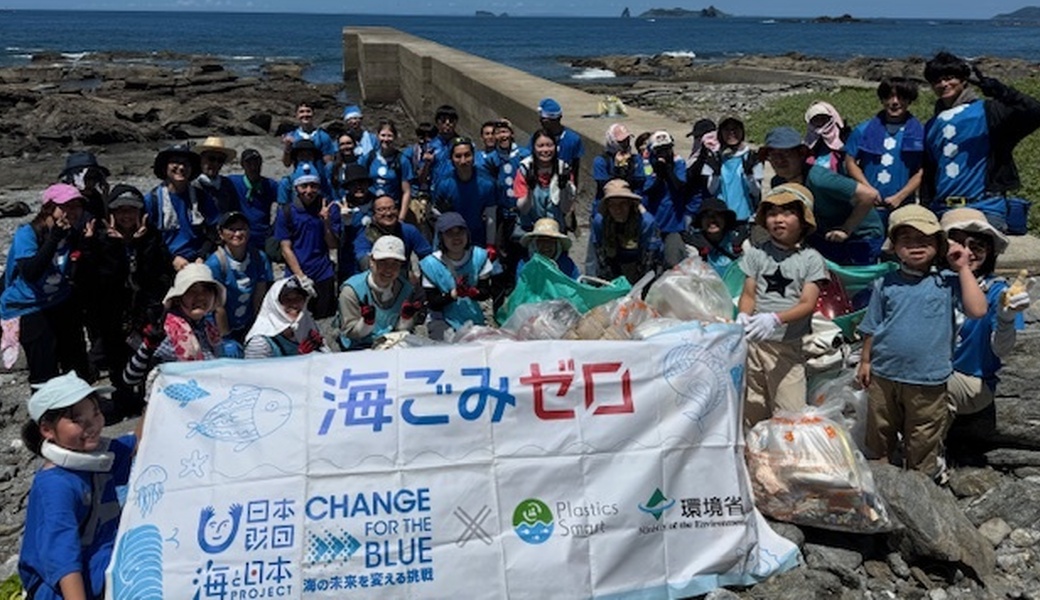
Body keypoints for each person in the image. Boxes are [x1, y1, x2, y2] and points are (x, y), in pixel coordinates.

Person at [856, 204, 987, 482]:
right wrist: (865, 361)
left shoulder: (948, 282)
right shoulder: (885, 283)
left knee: (924, 435)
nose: (915, 246)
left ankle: (920, 485)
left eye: (925, 240)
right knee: (879, 430)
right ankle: (880, 478)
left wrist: (962, 266)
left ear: (939, 245)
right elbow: (872, 325)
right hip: (883, 374)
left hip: (929, 378)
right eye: (907, 240)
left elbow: (977, 310)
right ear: (894, 247)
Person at [18, 372, 138, 600]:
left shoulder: (97, 455)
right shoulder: (55, 485)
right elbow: (63, 559)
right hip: (67, 590)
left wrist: (158, 393)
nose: (92, 425)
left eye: (95, 413)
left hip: (104, 569)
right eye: (77, 420)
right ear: (47, 430)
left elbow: (140, 443)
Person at [78, 184, 173, 420]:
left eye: (132, 210)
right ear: (111, 213)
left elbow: (158, 276)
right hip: (111, 314)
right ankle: (120, 400)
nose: (126, 215)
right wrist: (116, 245)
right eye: (121, 210)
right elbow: (102, 278)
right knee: (115, 360)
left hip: (144, 311)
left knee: (144, 358)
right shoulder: (101, 238)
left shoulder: (151, 237)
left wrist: (140, 245)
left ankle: (145, 400)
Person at [737, 183, 828, 427]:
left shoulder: (811, 259)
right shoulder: (757, 253)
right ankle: (756, 460)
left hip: (787, 347)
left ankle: (785, 461)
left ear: (803, 219)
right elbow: (749, 294)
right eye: (772, 213)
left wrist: (776, 319)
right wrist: (743, 316)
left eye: (787, 213)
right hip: (754, 345)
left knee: (790, 413)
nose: (778, 220)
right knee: (752, 409)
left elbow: (808, 303)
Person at [920, 51, 1040, 231]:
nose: (943, 84)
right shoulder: (932, 124)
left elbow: (1034, 112)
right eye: (937, 81)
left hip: (985, 206)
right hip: (942, 208)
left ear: (963, 80)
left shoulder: (990, 111)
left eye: (949, 78)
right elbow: (930, 171)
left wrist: (1002, 92)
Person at [940, 208, 1030, 422]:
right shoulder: (937, 282)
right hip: (930, 370)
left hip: (971, 380)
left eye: (977, 246)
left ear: (989, 252)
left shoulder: (998, 291)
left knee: (924, 387)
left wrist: (1005, 320)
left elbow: (1001, 349)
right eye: (958, 244)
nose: (967, 253)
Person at [0, 184, 94, 384]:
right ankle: (48, 414)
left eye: (76, 206)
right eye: (65, 206)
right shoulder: (28, 234)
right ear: (49, 208)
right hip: (29, 305)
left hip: (58, 299)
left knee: (76, 364)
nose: (72, 212)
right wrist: (53, 239)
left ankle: (79, 410)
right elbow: (31, 272)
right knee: (44, 369)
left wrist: (86, 245)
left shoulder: (72, 232)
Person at [760, 126, 884, 266]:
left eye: (785, 154)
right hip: (824, 233)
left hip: (860, 234)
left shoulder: (818, 178)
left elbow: (869, 195)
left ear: (800, 154)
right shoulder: (778, 183)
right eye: (773, 155)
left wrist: (846, 229)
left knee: (855, 284)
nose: (779, 160)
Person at [122, 262, 230, 392]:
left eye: (206, 290)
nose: (200, 297)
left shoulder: (209, 329)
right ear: (179, 298)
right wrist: (148, 346)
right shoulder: (164, 331)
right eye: (192, 291)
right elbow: (130, 378)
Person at [844, 77, 925, 231]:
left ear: (909, 100)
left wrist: (900, 196)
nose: (894, 102)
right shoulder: (864, 130)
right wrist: (868, 191)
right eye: (889, 97)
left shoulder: (920, 133)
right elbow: (850, 162)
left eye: (901, 97)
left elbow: (923, 170)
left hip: (903, 206)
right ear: (882, 99)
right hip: (867, 205)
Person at [275, 162, 341, 319]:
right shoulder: (286, 213)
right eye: (304, 186)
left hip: (323, 273)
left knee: (324, 319)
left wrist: (326, 223)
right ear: (296, 188)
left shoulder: (330, 209)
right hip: (297, 274)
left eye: (313, 186)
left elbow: (333, 245)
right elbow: (286, 248)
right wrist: (301, 277)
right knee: (295, 319)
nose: (309, 191)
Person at [338, 235, 423, 350]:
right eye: (382, 262)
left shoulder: (406, 289)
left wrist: (406, 319)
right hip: (359, 347)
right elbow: (350, 332)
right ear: (371, 261)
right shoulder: (351, 291)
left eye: (395, 263)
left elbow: (402, 331)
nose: (389, 269)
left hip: (392, 343)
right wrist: (366, 324)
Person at [419, 212, 493, 341]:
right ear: (441, 237)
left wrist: (472, 292)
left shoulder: (480, 257)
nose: (456, 237)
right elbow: (433, 302)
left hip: (471, 314)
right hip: (442, 318)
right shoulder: (430, 264)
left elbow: (485, 292)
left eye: (460, 232)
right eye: (450, 234)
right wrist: (453, 294)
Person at [143, 144, 217, 269]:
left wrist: (202, 255)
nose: (181, 167)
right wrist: (171, 258)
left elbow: (213, 229)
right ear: (165, 167)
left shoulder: (201, 197)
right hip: (164, 263)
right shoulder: (152, 200)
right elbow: (147, 237)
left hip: (198, 261)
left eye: (185, 164)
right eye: (175, 163)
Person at [205, 211, 273, 342]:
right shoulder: (215, 264)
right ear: (221, 233)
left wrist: (258, 326)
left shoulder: (259, 258)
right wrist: (226, 336)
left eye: (241, 228)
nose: (237, 234)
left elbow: (260, 294)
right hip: (221, 327)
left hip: (248, 322)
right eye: (231, 229)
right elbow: (218, 305)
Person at [431, 137, 498, 248]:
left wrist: (490, 244)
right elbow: (436, 212)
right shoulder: (443, 183)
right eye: (458, 156)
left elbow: (491, 216)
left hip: (477, 239)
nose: (463, 161)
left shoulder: (487, 183)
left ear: (474, 156)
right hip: (450, 238)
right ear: (451, 158)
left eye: (467, 155)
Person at [590, 179, 661, 284]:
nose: (618, 210)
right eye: (612, 205)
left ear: (630, 204)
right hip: (614, 261)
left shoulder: (646, 222)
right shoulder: (599, 222)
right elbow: (601, 256)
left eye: (623, 204)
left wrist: (638, 287)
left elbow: (649, 261)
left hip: (641, 262)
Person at [243, 276, 327, 359]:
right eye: (287, 299)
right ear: (274, 304)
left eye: (299, 298)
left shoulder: (307, 327)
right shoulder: (259, 343)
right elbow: (256, 372)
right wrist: (300, 360)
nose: (294, 304)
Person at [513, 129, 577, 236]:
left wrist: (564, 188)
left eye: (549, 145)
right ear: (533, 148)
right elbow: (523, 209)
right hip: (530, 230)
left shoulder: (564, 169)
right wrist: (529, 189)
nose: (545, 150)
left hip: (556, 230)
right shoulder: (525, 169)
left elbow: (566, 209)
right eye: (541, 146)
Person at [642, 130, 691, 268]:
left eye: (667, 149)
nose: (664, 153)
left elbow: (679, 186)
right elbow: (649, 190)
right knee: (650, 264)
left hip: (673, 224)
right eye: (659, 150)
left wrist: (667, 170)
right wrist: (658, 174)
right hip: (653, 223)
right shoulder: (647, 165)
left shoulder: (678, 163)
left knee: (673, 261)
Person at [702, 117, 762, 227]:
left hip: (745, 217)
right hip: (720, 218)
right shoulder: (713, 157)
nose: (731, 133)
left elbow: (756, 193)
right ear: (720, 133)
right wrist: (716, 174)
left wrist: (749, 175)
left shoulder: (752, 156)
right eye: (727, 130)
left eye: (735, 129)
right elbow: (710, 191)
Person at [354, 194, 432, 273]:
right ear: (373, 215)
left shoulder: (408, 230)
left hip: (402, 276)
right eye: (381, 210)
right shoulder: (366, 235)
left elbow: (427, 256)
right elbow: (363, 261)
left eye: (392, 208)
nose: (388, 213)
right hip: (374, 275)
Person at [228, 148, 279, 254]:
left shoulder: (269, 185)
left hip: (263, 235)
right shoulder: (233, 182)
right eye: (249, 163)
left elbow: (285, 200)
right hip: (240, 235)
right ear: (242, 165)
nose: (253, 167)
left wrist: (276, 226)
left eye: (256, 163)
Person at [361, 119, 414, 220]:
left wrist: (401, 217)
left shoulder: (402, 160)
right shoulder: (369, 157)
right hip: (372, 209)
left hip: (392, 210)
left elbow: (406, 191)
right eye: (383, 135)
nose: (386, 139)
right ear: (377, 136)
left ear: (395, 137)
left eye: (389, 135)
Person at [682, 196, 748, 276]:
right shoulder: (694, 245)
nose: (712, 221)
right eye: (707, 216)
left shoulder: (738, 240)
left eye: (717, 215)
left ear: (725, 219)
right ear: (701, 222)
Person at [533, 98, 584, 193]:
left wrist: (574, 191)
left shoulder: (573, 139)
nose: (540, 121)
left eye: (544, 120)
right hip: (541, 186)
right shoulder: (537, 138)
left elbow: (575, 167)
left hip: (564, 186)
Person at [277, 139, 334, 206]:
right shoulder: (287, 182)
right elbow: (282, 209)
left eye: (309, 156)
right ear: (296, 158)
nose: (305, 159)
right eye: (302, 156)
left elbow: (329, 201)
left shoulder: (323, 181)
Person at [193, 136, 240, 215]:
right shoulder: (192, 185)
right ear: (201, 159)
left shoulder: (227, 184)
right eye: (211, 159)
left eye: (220, 160)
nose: (215, 164)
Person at [57, 151, 110, 222]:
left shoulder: (96, 197)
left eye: (94, 177)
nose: (91, 183)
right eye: (87, 178)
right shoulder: (62, 200)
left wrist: (105, 199)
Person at [281, 101, 336, 167]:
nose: (305, 114)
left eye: (308, 111)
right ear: (297, 115)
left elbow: (328, 163)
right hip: (300, 175)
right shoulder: (291, 136)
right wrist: (287, 148)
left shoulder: (323, 136)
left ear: (313, 114)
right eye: (301, 112)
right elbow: (287, 164)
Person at [803, 101, 850, 173]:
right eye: (816, 119)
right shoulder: (808, 143)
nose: (820, 122)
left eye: (823, 118)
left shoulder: (844, 138)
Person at [328, 134, 360, 203]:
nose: (346, 147)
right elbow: (331, 188)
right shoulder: (332, 167)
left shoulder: (361, 163)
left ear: (354, 144)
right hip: (340, 204)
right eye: (342, 144)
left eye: (349, 143)